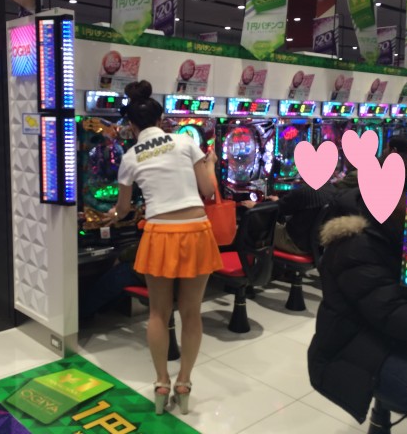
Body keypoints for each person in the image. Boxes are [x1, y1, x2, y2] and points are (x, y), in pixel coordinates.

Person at [104, 80, 221, 415]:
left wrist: (110, 216)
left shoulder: (130, 156)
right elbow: (207, 190)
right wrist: (210, 165)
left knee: (158, 313)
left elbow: (123, 209)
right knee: (191, 312)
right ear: (161, 119)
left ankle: (161, 383)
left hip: (159, 233)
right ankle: (184, 382)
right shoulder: (185, 141)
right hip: (196, 230)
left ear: (131, 126)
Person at [307, 155, 407, 428]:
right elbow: (391, 312)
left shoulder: (394, 231)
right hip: (353, 350)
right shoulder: (355, 245)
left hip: (381, 338)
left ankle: (381, 419)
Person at [242, 182, 336, 255]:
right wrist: (279, 202)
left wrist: (255, 205)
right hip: (317, 245)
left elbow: (280, 208)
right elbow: (285, 205)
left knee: (255, 222)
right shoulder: (331, 189)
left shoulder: (305, 191)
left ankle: (253, 270)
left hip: (294, 243)